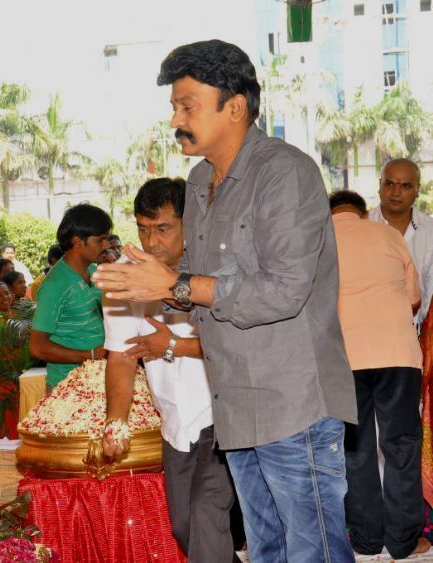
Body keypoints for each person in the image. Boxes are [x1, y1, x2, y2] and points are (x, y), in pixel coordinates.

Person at [92, 39, 357, 562]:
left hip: (293, 403)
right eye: (174, 107)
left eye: (187, 106)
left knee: (314, 552)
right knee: (265, 549)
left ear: (234, 107)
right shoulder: (198, 182)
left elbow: (283, 290)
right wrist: (151, 284)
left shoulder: (284, 172)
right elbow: (202, 284)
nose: (176, 120)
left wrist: (173, 286)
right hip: (234, 403)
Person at [102, 177, 238, 562]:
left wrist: (175, 345)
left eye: (163, 229)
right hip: (175, 421)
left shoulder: (216, 266)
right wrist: (116, 421)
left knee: (206, 516)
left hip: (223, 413)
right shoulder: (123, 277)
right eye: (143, 229)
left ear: (188, 223)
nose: (152, 242)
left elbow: (241, 345)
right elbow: (121, 356)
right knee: (185, 527)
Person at [330, 191, 428, 558]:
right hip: (398, 354)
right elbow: (414, 297)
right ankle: (403, 541)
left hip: (346, 358)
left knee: (356, 450)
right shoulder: (388, 234)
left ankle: (366, 539)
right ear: (361, 213)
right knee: (401, 445)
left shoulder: (319, 239)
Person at [29, 203, 112, 390]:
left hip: (98, 380)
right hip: (68, 387)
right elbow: (37, 346)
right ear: (77, 240)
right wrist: (90, 355)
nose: (106, 245)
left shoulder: (94, 270)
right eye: (101, 240)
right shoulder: (54, 285)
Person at [369, 158, 433, 328]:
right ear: (380, 185)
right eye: (389, 184)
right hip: (368, 331)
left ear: (418, 189)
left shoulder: (430, 232)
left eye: (405, 186)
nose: (396, 192)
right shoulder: (362, 226)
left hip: (419, 333)